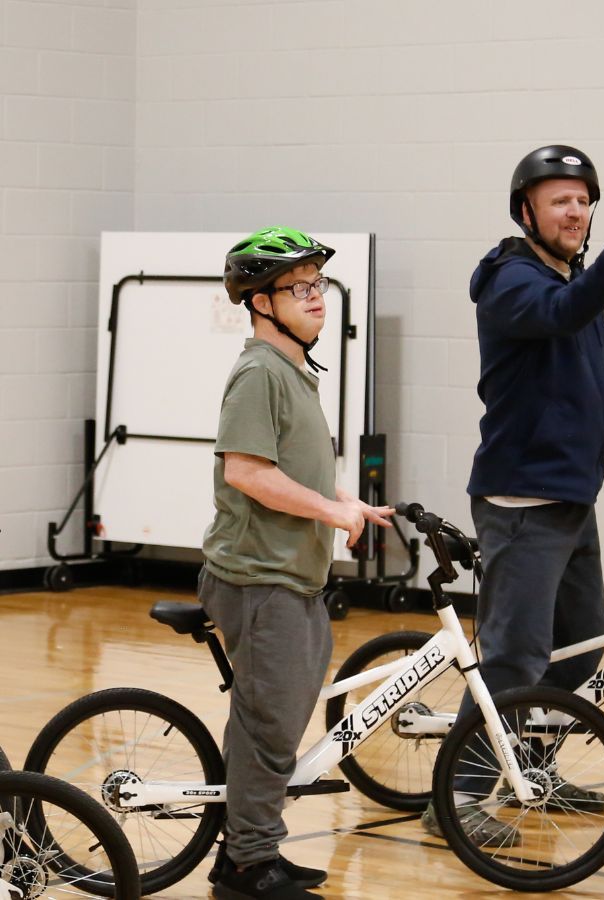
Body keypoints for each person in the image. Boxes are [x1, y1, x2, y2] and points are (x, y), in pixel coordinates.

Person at [420, 145, 604, 844]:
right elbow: (566, 310)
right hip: (521, 505)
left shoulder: (574, 289)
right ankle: (454, 802)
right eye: (559, 201)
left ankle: (532, 772)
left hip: (572, 502)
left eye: (583, 200)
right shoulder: (511, 282)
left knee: (578, 651)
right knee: (514, 659)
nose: (574, 211)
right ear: (527, 212)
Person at [202, 226, 394, 900]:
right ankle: (250, 867)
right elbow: (249, 473)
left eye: (319, 286)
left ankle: (248, 851)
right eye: (299, 288)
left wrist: (344, 499)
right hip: (259, 579)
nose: (316, 299)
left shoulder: (293, 372)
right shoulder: (259, 372)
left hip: (291, 577)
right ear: (260, 302)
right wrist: (331, 513)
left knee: (274, 723)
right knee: (269, 728)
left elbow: (288, 464)